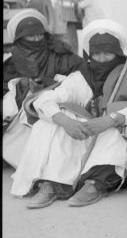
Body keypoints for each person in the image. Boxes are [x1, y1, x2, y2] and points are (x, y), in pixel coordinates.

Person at [10, 19, 127, 209]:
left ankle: (95, 184)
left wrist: (111, 119)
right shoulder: (83, 76)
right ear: (89, 54)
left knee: (118, 130)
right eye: (96, 54)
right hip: (86, 136)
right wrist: (64, 120)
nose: (101, 59)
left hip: (113, 135)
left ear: (118, 53)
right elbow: (44, 99)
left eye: (107, 53)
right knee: (47, 123)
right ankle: (53, 184)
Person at [3, 9, 84, 168]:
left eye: (40, 35)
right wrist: (22, 89)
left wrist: (48, 85)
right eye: (30, 36)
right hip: (21, 115)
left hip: (56, 110)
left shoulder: (61, 56)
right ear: (20, 38)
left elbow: (81, 78)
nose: (36, 39)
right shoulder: (11, 63)